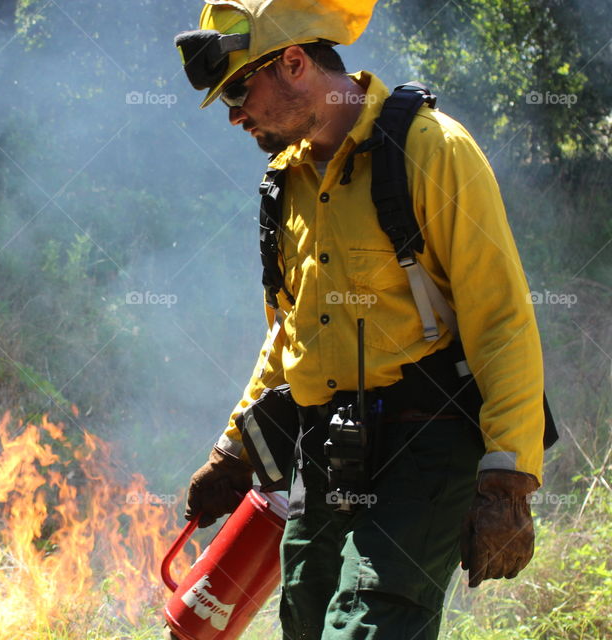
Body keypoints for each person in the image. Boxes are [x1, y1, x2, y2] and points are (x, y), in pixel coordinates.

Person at [174, 1, 547, 638]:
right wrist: (235, 450)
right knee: (305, 619)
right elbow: (290, 333)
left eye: (238, 91)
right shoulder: (283, 181)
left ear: (294, 63)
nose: (234, 114)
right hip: (324, 450)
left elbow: (501, 316)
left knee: (369, 626)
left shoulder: (430, 149)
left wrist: (508, 481)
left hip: (425, 441)